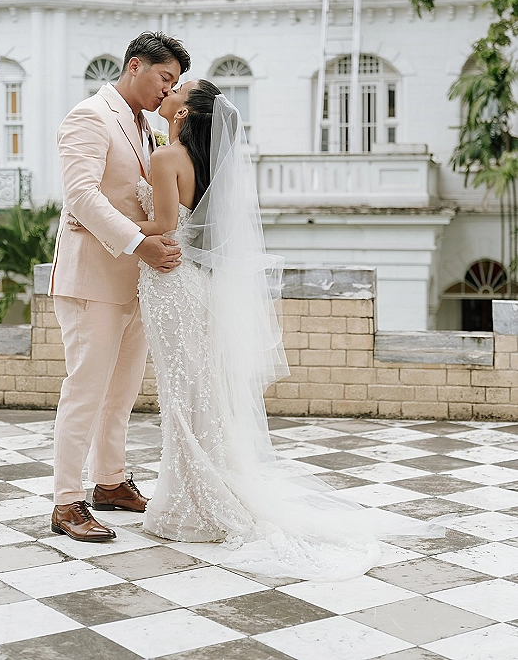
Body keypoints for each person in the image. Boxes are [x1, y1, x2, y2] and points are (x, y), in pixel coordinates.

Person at [136, 78, 443, 580]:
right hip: (196, 286)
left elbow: (164, 227)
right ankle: (191, 496)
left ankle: (193, 503)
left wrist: (102, 221)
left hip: (171, 286)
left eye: (179, 89)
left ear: (186, 114)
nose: (170, 91)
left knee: (181, 393)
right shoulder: (203, 166)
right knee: (198, 391)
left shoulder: (166, 160)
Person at [49, 31, 190, 542]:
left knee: (122, 392)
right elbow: (81, 196)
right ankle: (67, 502)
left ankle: (110, 481)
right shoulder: (89, 116)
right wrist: (138, 244)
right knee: (85, 390)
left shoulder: (148, 128)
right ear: (135, 66)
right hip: (94, 277)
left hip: (140, 282)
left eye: (174, 84)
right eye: (164, 78)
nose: (166, 91)